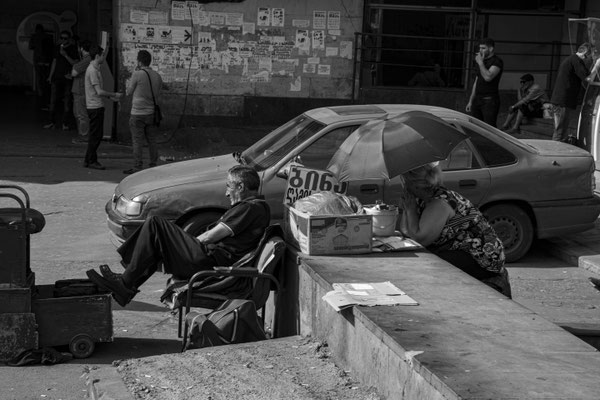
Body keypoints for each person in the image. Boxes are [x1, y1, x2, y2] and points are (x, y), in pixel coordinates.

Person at [86, 165, 271, 307]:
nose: (226, 192)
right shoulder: (251, 207)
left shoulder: (250, 208)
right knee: (158, 239)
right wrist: (181, 243)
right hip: (210, 256)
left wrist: (185, 243)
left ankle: (125, 283)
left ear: (241, 186)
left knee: (155, 224)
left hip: (210, 260)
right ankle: (126, 285)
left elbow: (210, 237)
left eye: (229, 187)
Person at [399, 163, 511, 298]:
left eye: (404, 181)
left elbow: (420, 239)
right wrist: (407, 209)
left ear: (416, 185)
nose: (403, 186)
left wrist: (410, 210)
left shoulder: (439, 203)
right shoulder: (424, 199)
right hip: (461, 251)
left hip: (481, 258)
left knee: (428, 264)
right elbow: (406, 232)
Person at [123, 50, 163, 174]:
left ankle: (137, 166)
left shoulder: (137, 74)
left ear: (139, 62)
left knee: (137, 141)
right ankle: (153, 164)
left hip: (137, 113)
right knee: (152, 140)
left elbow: (129, 92)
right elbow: (158, 94)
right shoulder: (157, 76)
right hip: (151, 113)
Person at [84, 43, 122, 170]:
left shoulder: (95, 69)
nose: (103, 58)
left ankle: (88, 159)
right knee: (96, 136)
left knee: (95, 135)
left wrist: (110, 97)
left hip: (95, 105)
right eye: (102, 55)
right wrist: (114, 94)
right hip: (95, 107)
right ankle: (91, 160)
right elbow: (99, 92)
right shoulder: (93, 71)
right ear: (97, 56)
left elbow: (97, 92)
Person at [549, 43, 594, 142]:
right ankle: (555, 150)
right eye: (590, 55)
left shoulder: (573, 60)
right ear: (585, 53)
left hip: (561, 101)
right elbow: (588, 78)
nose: (590, 58)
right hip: (563, 102)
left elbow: (585, 76)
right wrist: (597, 65)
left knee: (560, 131)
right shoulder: (576, 60)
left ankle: (556, 148)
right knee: (560, 132)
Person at [44, 30, 79, 130]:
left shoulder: (73, 49)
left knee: (67, 101)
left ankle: (65, 123)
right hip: (56, 77)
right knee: (53, 100)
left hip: (68, 77)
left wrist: (65, 55)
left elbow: (75, 63)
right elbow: (54, 62)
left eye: (65, 38)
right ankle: (51, 122)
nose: (63, 40)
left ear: (69, 39)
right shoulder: (57, 48)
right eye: (61, 38)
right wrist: (50, 76)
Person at [466, 38, 504, 127]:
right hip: (477, 99)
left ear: (491, 49)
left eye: (483, 48)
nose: (480, 50)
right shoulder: (481, 61)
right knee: (476, 127)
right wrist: (471, 101)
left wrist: (480, 63)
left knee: (489, 128)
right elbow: (476, 81)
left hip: (489, 100)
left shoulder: (496, 61)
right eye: (480, 48)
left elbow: (488, 77)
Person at [70, 40, 92, 144]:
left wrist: (75, 66)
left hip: (81, 90)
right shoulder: (86, 60)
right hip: (80, 89)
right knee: (78, 113)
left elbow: (74, 72)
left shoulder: (87, 60)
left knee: (81, 114)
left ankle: (84, 135)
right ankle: (82, 134)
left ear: (81, 48)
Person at [28, 24, 54, 109]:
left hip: (37, 58)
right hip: (47, 59)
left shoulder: (34, 36)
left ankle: (40, 93)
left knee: (38, 76)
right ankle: (47, 93)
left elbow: (31, 46)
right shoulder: (48, 36)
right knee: (46, 76)